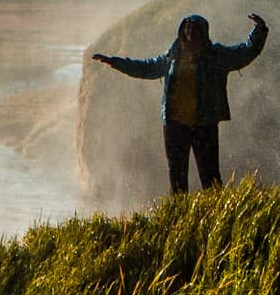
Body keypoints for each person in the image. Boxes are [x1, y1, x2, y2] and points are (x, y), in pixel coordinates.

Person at [92, 11, 270, 193]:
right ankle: (178, 217)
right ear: (183, 34)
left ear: (204, 36)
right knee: (177, 178)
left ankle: (216, 214)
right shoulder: (172, 58)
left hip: (205, 124)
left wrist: (259, 31)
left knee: (211, 179)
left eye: (196, 34)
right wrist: (114, 62)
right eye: (189, 33)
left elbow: (245, 53)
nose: (192, 38)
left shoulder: (216, 56)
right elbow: (144, 68)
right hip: (175, 126)